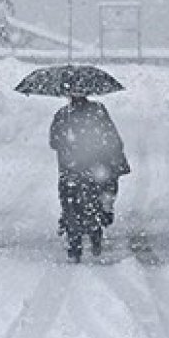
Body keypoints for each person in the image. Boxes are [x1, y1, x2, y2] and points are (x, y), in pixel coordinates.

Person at [50, 94, 129, 262]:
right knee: (94, 201)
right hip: (95, 168)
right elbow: (111, 137)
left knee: (70, 204)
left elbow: (53, 142)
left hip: (70, 169)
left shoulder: (63, 114)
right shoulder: (98, 111)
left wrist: (69, 146)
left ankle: (74, 243)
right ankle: (95, 233)